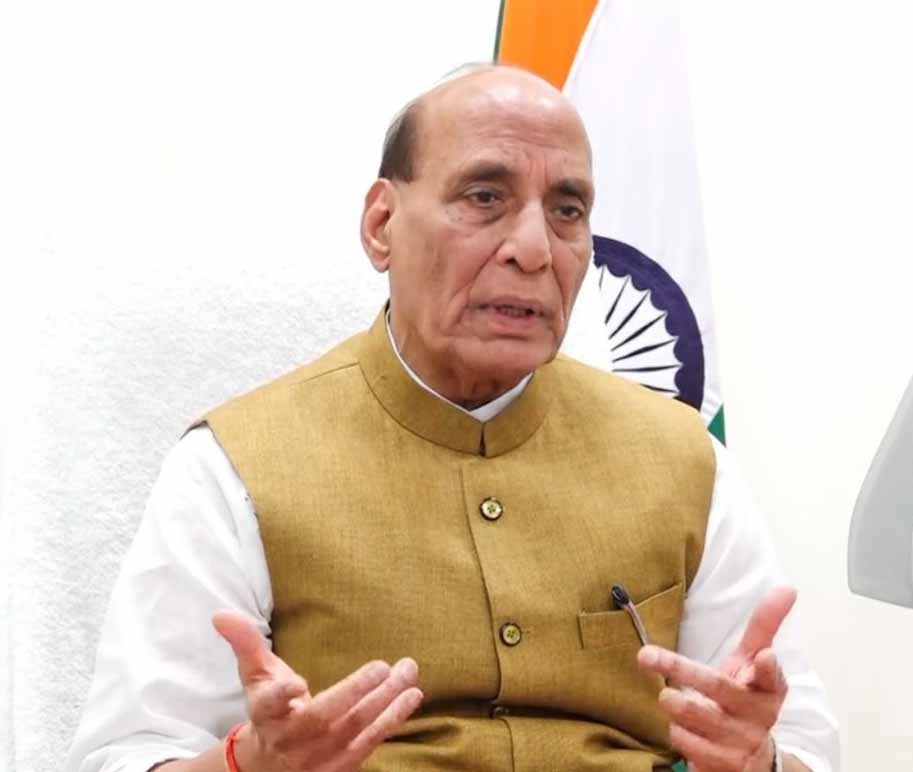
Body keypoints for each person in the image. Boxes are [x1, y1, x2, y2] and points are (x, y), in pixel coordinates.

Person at [67, 64, 839, 772]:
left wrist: (759, 760)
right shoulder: (235, 464)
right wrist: (248, 765)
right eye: (484, 198)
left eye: (566, 210)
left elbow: (803, 745)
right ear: (381, 225)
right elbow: (126, 753)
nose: (533, 249)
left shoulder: (680, 457)